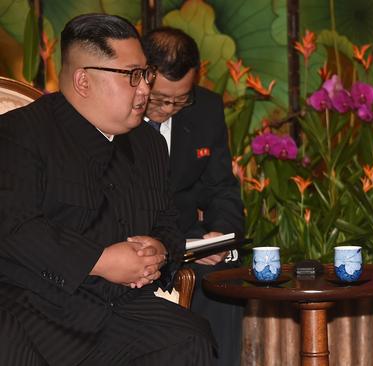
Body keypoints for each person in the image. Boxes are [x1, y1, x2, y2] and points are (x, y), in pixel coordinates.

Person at [0, 14, 218, 365]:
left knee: (189, 337)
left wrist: (159, 250)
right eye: (133, 76)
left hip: (119, 308)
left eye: (146, 74)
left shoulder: (148, 143)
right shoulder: (20, 133)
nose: (145, 88)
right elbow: (14, 227)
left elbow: (168, 220)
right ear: (84, 80)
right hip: (36, 305)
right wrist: (99, 261)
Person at [142, 27, 245, 365]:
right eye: (159, 99)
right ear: (141, 77)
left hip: (190, 241)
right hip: (134, 239)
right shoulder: (115, 112)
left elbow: (221, 187)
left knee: (224, 280)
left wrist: (220, 234)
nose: (169, 108)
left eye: (180, 99)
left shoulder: (206, 109)